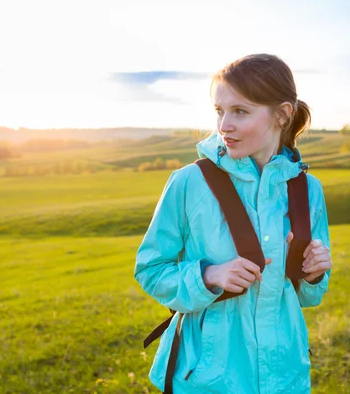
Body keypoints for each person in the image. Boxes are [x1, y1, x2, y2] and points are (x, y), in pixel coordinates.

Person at [134, 53, 333, 393]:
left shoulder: (307, 189)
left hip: (285, 374)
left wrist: (313, 274)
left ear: (282, 114)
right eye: (219, 111)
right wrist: (208, 276)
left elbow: (306, 297)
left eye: (240, 111)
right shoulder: (188, 183)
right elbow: (150, 270)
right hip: (208, 378)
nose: (224, 125)